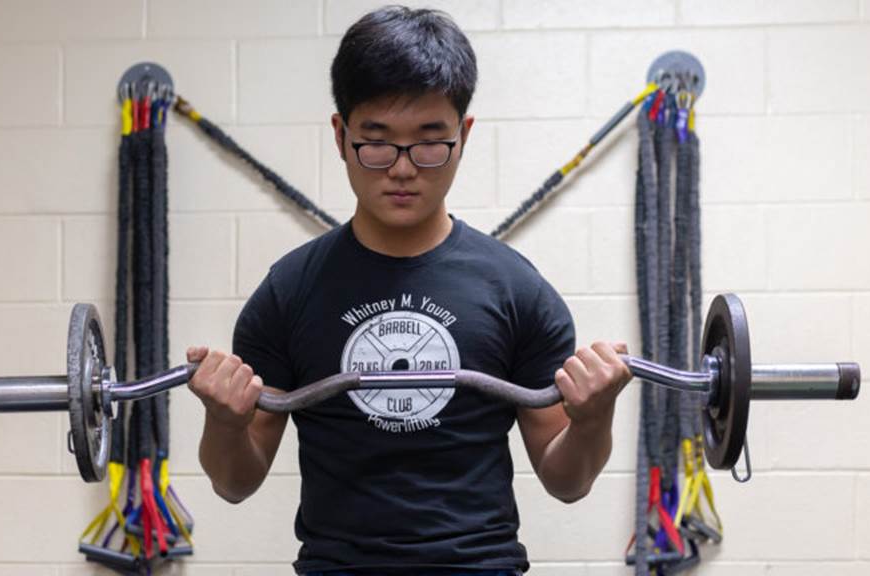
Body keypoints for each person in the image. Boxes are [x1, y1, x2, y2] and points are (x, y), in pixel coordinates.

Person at [186, 6, 632, 575]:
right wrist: (224, 421)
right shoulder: (288, 291)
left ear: (462, 136)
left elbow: (567, 482)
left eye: (429, 142)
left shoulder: (517, 289)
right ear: (340, 135)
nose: (402, 169)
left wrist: (593, 419)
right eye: (376, 142)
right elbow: (233, 482)